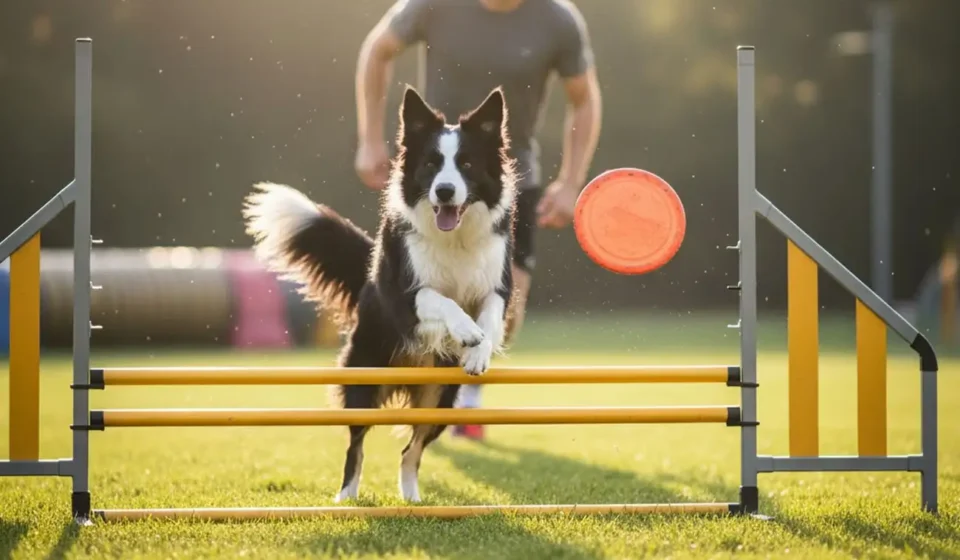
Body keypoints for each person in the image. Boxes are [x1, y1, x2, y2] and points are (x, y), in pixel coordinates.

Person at [353, 0, 602, 440]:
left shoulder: (558, 18)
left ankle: (466, 399)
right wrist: (371, 139)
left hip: (502, 180)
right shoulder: (432, 5)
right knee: (423, 291)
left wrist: (571, 181)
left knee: (507, 297)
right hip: (434, 174)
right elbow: (378, 50)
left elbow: (584, 99)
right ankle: (432, 391)